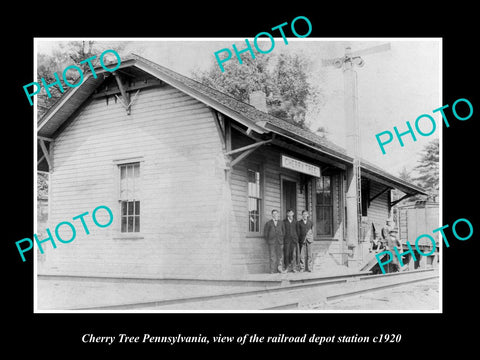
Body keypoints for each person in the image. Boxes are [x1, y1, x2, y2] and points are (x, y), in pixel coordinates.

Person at [263, 209, 285, 273]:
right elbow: (266, 234)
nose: (275, 215)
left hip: (279, 242)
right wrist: (269, 240)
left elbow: (284, 232)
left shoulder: (281, 223)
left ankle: (279, 269)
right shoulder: (268, 223)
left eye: (276, 214)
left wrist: (281, 239)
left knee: (280, 256)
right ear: (272, 215)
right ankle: (272, 270)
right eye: (274, 214)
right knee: (272, 256)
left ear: (278, 214)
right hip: (272, 243)